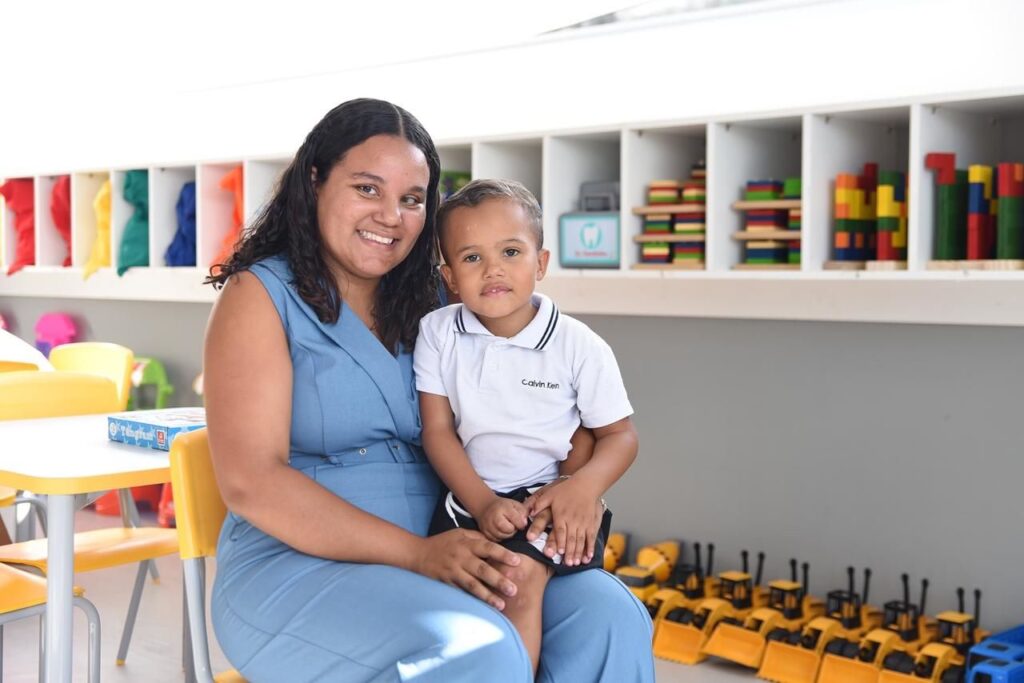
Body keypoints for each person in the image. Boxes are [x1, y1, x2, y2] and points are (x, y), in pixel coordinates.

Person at [203, 98, 655, 682]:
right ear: (315, 181)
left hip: (455, 540)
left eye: (412, 199)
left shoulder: (444, 304)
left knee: (608, 613)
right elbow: (250, 483)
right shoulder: (260, 297)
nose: (391, 215)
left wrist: (575, 490)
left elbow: (563, 417)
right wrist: (417, 554)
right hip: (300, 566)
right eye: (368, 189)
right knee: (475, 647)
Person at [414, 179, 639, 673]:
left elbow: (620, 436)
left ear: (540, 263)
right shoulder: (437, 333)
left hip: (552, 502)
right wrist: (482, 502)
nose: (493, 269)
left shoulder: (581, 346)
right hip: (471, 500)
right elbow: (437, 431)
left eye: (511, 251)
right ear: (449, 276)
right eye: (471, 258)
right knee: (448, 601)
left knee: (516, 586)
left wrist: (582, 489)